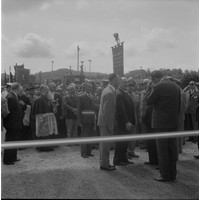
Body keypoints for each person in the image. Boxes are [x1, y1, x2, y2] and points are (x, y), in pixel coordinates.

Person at [146, 71, 181, 182]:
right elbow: (179, 105)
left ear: (154, 78)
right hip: (172, 122)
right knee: (172, 149)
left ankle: (165, 174)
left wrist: (150, 89)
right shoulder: (176, 86)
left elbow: (149, 101)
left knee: (162, 150)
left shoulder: (157, 86)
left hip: (160, 123)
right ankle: (173, 173)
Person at [98, 73, 119, 171]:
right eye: (117, 79)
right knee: (105, 145)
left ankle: (104, 162)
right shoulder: (110, 92)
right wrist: (111, 126)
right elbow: (108, 112)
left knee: (104, 144)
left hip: (103, 121)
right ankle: (105, 164)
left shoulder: (107, 90)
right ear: (114, 79)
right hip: (106, 122)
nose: (118, 81)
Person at [113, 77, 135, 166]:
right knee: (120, 143)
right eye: (124, 82)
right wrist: (126, 122)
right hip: (123, 123)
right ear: (119, 83)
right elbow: (121, 110)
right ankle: (118, 160)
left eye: (127, 82)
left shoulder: (124, 93)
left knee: (125, 142)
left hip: (127, 122)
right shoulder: (119, 94)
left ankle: (124, 159)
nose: (126, 84)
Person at [32, 84, 57, 152]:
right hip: (42, 119)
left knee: (47, 133)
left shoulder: (47, 98)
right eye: (46, 89)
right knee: (43, 133)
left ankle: (47, 146)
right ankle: (42, 147)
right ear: (42, 90)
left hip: (48, 119)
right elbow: (39, 111)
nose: (48, 91)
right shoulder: (39, 99)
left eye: (47, 89)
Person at [3, 82, 22, 165]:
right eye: (20, 88)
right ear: (17, 89)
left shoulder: (13, 96)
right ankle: (7, 160)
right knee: (10, 141)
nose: (21, 90)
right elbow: (7, 112)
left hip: (15, 123)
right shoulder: (11, 97)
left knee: (14, 141)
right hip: (12, 124)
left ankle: (13, 157)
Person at [77, 82, 96, 158]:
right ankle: (83, 152)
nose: (90, 88)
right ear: (84, 87)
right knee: (85, 136)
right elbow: (79, 110)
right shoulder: (81, 97)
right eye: (88, 86)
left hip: (91, 119)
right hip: (85, 119)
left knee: (90, 136)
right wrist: (80, 121)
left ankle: (89, 151)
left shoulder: (92, 96)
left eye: (90, 86)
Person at [127, 77, 139, 159]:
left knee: (133, 136)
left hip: (134, 118)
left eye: (132, 85)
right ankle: (126, 152)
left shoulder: (136, 96)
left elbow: (137, 108)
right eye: (129, 85)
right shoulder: (124, 95)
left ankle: (131, 151)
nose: (130, 87)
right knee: (126, 136)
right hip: (127, 118)